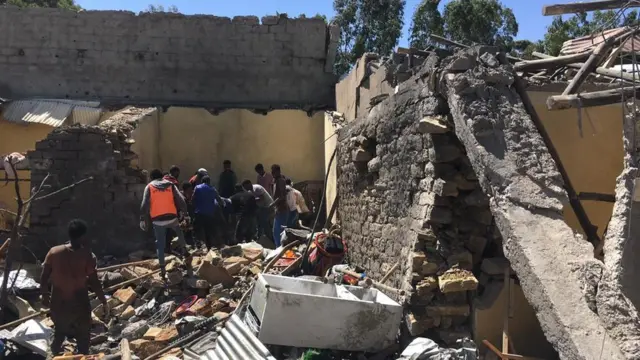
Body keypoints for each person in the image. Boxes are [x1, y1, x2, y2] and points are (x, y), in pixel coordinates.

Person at [40, 219, 107, 358]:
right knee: (83, 340)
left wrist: (45, 295)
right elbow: (94, 281)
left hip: (59, 303)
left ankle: (52, 356)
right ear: (83, 236)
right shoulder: (87, 255)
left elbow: (44, 276)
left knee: (59, 335)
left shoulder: (54, 252)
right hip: (80, 304)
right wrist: (103, 300)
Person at [140, 169, 190, 279]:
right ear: (162, 177)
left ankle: (162, 270)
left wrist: (142, 219)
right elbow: (181, 200)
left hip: (158, 220)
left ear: (151, 177)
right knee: (179, 232)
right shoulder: (170, 185)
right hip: (172, 217)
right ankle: (184, 250)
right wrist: (185, 214)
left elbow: (144, 205)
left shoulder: (149, 187)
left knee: (160, 244)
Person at [192, 176, 225, 249]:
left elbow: (193, 198)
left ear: (202, 181)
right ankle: (209, 247)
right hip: (210, 214)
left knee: (197, 230)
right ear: (209, 181)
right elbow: (219, 200)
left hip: (199, 212)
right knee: (208, 231)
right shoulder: (213, 189)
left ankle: (197, 245)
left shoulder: (197, 187)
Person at [271, 164, 289, 247]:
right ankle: (278, 248)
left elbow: (282, 196)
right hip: (278, 209)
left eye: (273, 171)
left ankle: (280, 249)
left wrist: (273, 204)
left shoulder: (280, 180)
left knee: (279, 232)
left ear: (278, 171)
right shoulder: (276, 181)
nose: (272, 173)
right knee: (276, 232)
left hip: (282, 209)